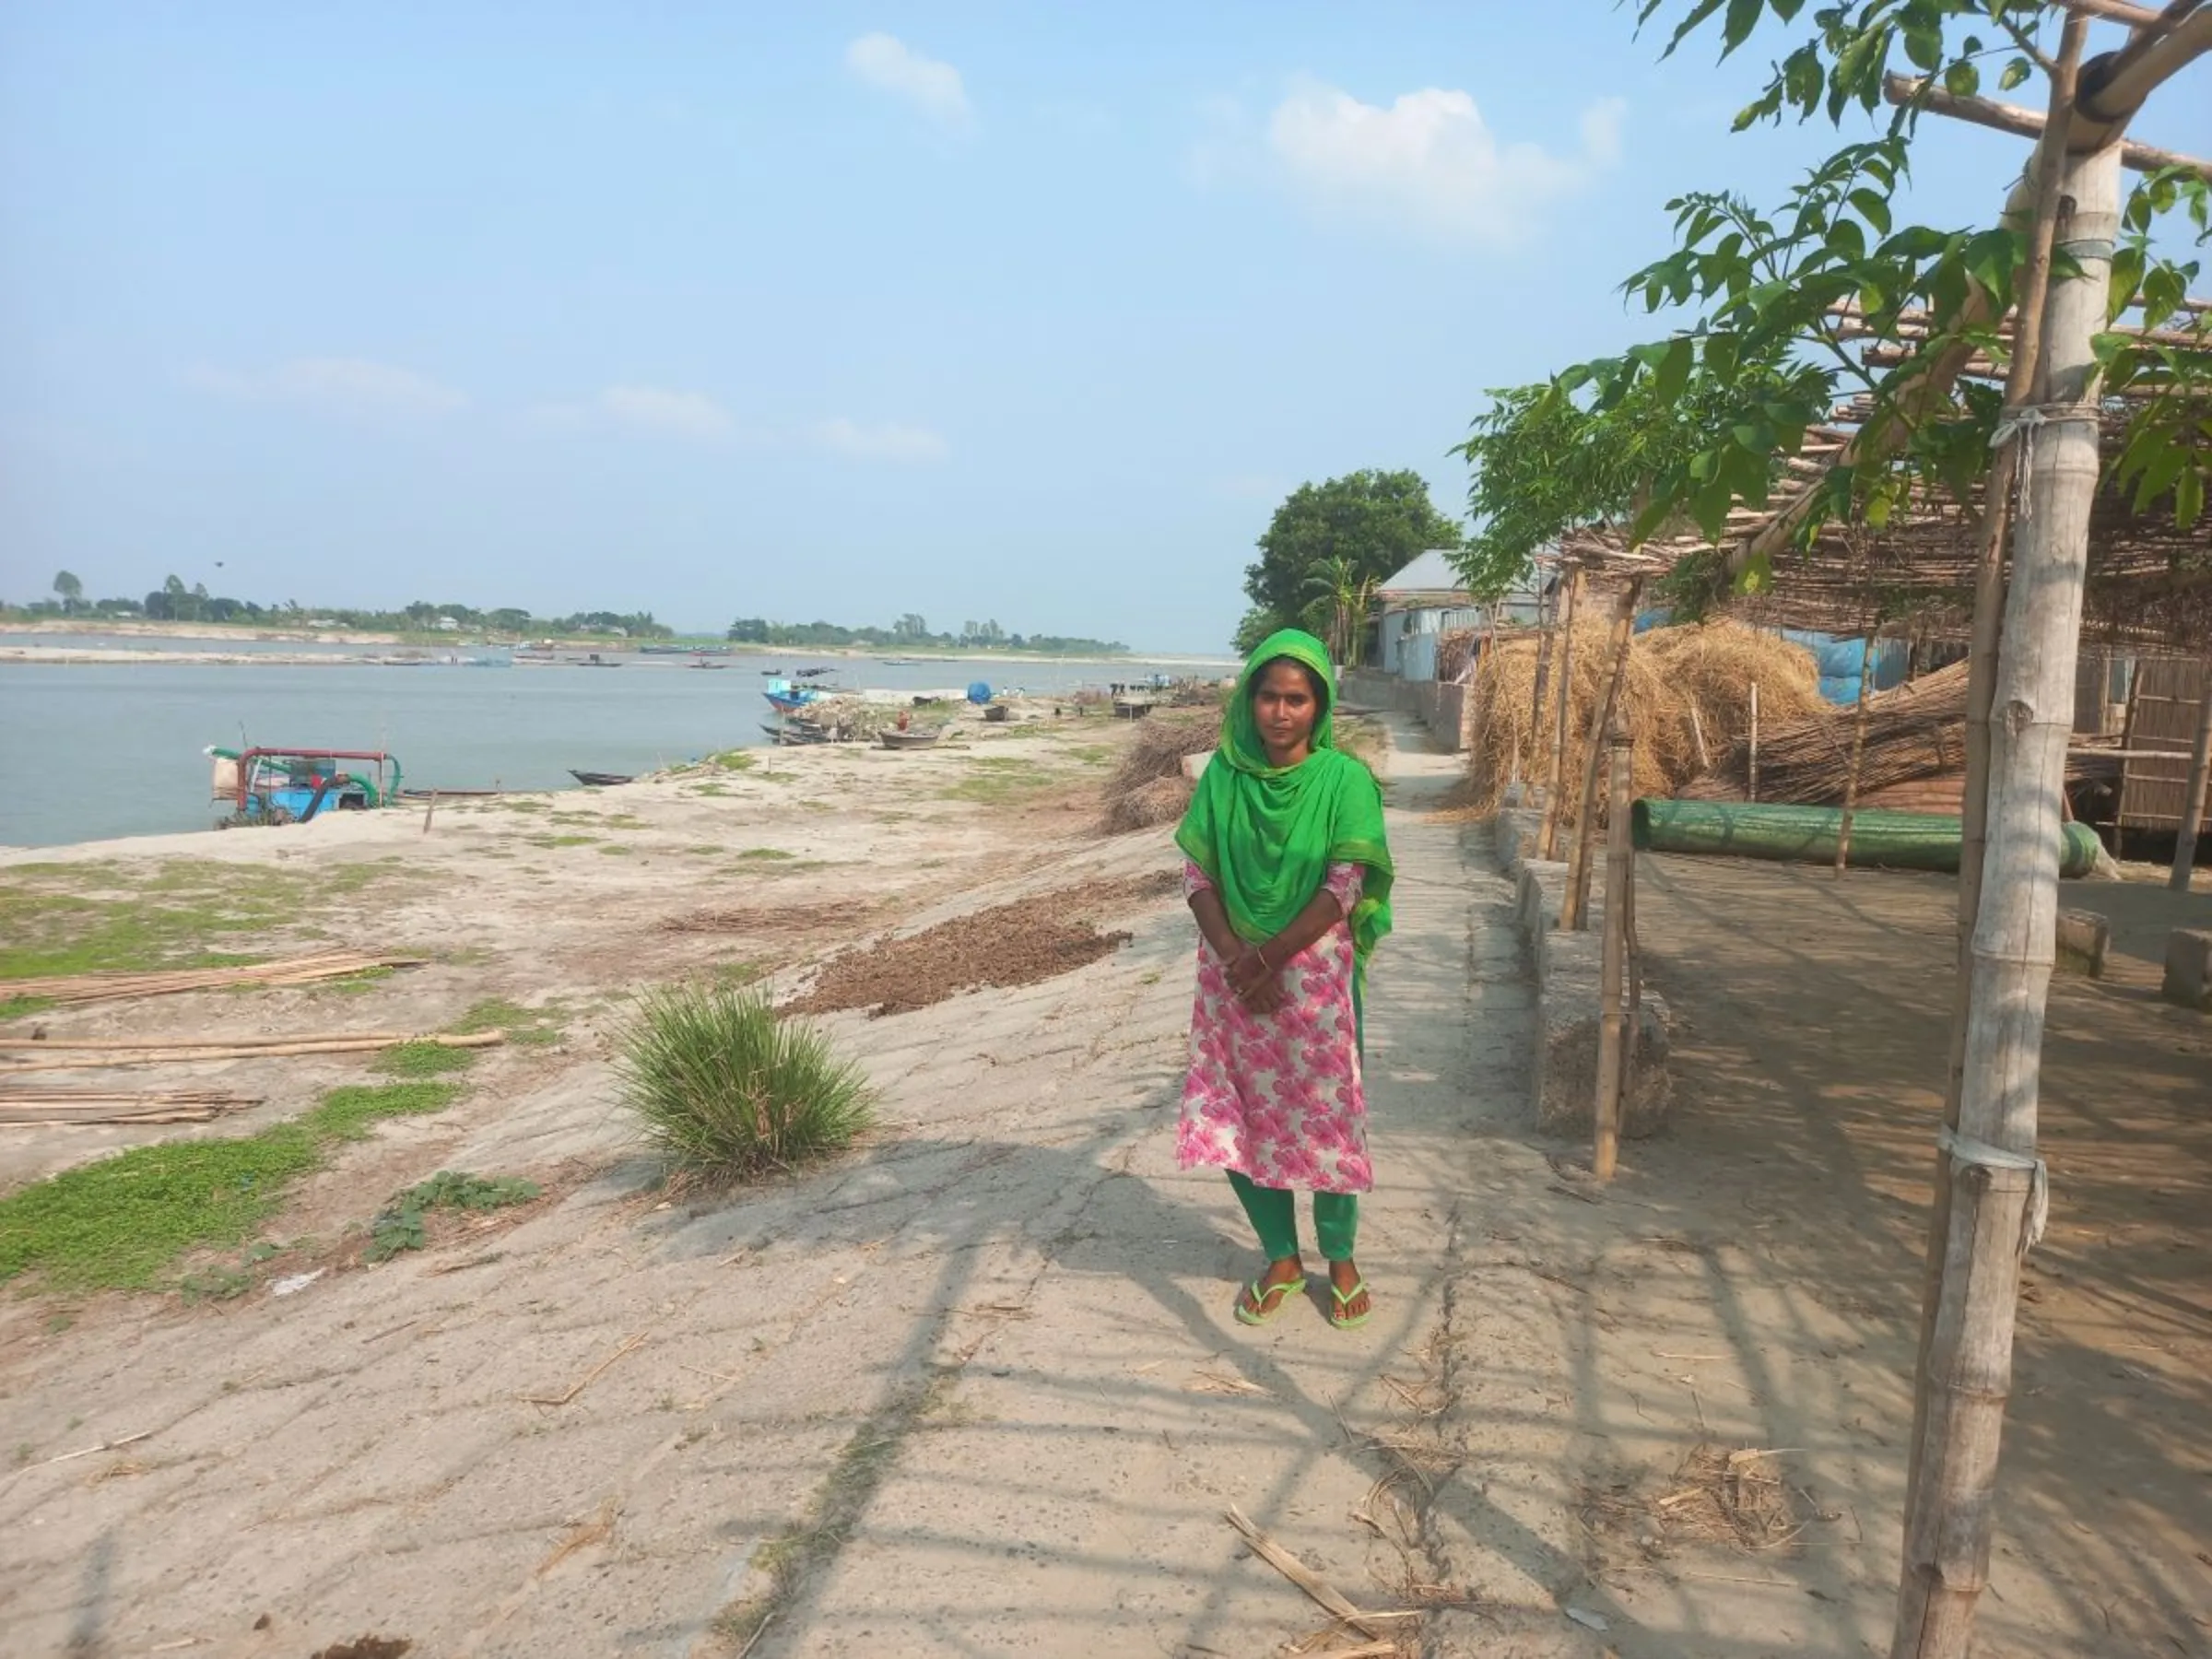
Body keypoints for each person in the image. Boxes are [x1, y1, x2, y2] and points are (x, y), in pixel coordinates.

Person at [1172, 629, 1394, 1329]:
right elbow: (1197, 874)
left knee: (1327, 1117)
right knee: (1240, 1116)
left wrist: (1265, 959)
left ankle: (1341, 1258)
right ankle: (1281, 1258)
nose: (1280, 711)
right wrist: (1238, 956)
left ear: (1318, 705)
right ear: (1249, 701)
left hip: (1312, 979)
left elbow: (1344, 884)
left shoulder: (1345, 781)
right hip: (1230, 977)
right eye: (1268, 696)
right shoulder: (1223, 778)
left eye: (1297, 698)